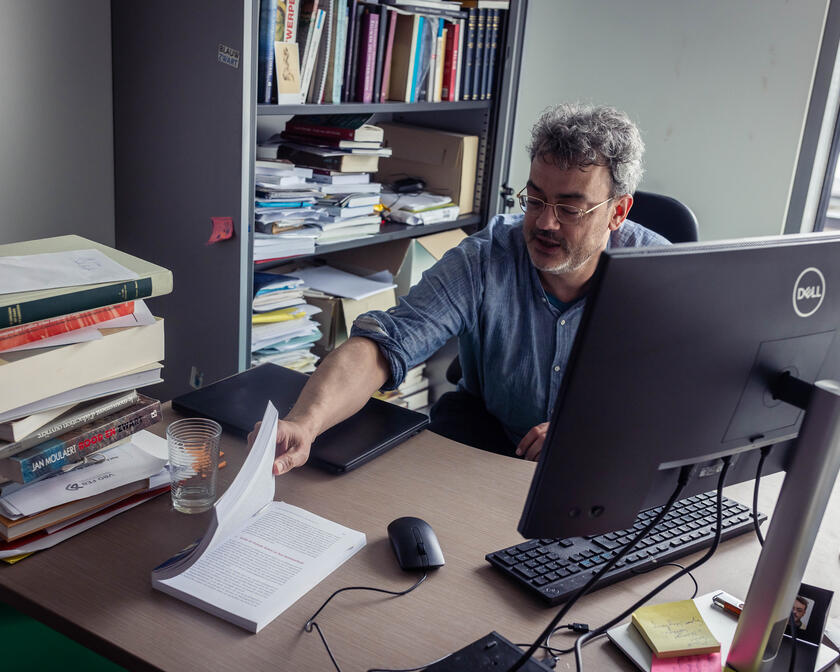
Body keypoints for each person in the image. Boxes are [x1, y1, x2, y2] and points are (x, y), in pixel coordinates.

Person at [251, 102, 670, 475]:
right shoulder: (485, 260)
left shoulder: (660, 274)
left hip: (601, 461)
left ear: (617, 211)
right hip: (492, 444)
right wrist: (305, 423)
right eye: (537, 199)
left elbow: (687, 393)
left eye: (569, 209)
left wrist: (586, 431)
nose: (545, 222)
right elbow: (386, 344)